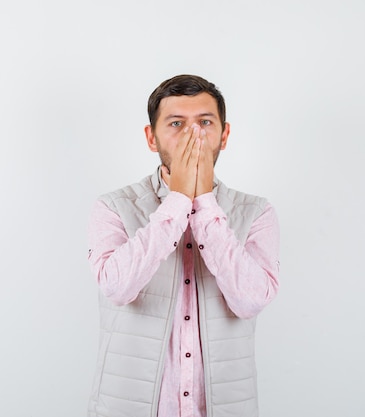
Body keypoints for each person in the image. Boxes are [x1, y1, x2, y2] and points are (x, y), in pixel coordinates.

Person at [87, 74, 280, 417]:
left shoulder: (256, 212)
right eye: (176, 123)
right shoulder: (112, 207)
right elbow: (116, 287)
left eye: (205, 122)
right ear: (152, 137)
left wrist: (204, 201)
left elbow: (251, 300)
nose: (194, 135)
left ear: (224, 135)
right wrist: (177, 201)